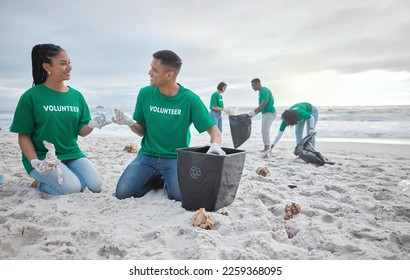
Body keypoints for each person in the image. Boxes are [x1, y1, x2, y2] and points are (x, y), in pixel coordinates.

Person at [114, 50, 225, 201]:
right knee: (123, 193)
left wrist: (216, 146)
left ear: (169, 75)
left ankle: (164, 178)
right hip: (147, 155)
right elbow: (141, 131)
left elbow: (214, 131)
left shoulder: (190, 99)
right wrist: (130, 123)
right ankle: (156, 180)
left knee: (179, 196)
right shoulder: (145, 93)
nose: (149, 73)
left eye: (154, 70)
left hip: (175, 157)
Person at [10, 43, 103, 195]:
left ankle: (55, 178)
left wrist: (94, 124)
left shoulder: (76, 96)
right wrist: (35, 162)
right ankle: (39, 181)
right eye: (63, 63)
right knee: (71, 188)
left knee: (95, 186)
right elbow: (24, 136)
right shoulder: (30, 97)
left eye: (69, 62)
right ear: (47, 67)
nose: (69, 67)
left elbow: (82, 131)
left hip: (72, 154)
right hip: (43, 158)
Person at [247, 78, 277, 152]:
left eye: (253, 85)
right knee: (264, 130)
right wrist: (252, 115)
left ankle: (267, 148)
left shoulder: (264, 90)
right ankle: (267, 147)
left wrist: (253, 112)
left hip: (270, 113)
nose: (252, 87)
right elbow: (261, 107)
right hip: (265, 113)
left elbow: (264, 103)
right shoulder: (260, 92)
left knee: (265, 130)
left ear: (257, 84)